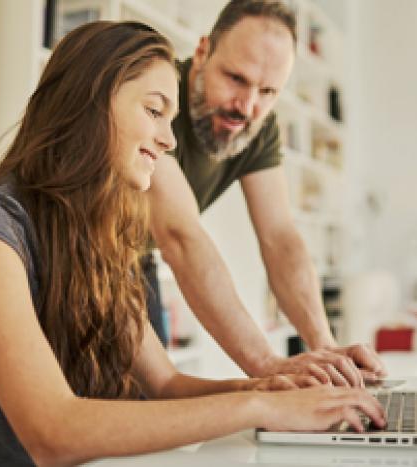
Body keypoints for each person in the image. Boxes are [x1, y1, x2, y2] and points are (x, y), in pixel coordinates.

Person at [0, 21, 384, 465]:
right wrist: (260, 405)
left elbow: (166, 385)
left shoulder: (100, 239)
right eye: (153, 111)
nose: (168, 141)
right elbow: (53, 432)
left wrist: (272, 386)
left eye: (171, 118)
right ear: (88, 101)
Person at [145, 0, 386, 387]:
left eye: (268, 91)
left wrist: (324, 346)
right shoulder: (157, 98)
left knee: (143, 408)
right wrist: (267, 364)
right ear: (203, 52)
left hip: (132, 262)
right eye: (236, 79)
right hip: (58, 247)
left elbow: (280, 237)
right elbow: (180, 237)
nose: (247, 106)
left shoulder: (259, 128)